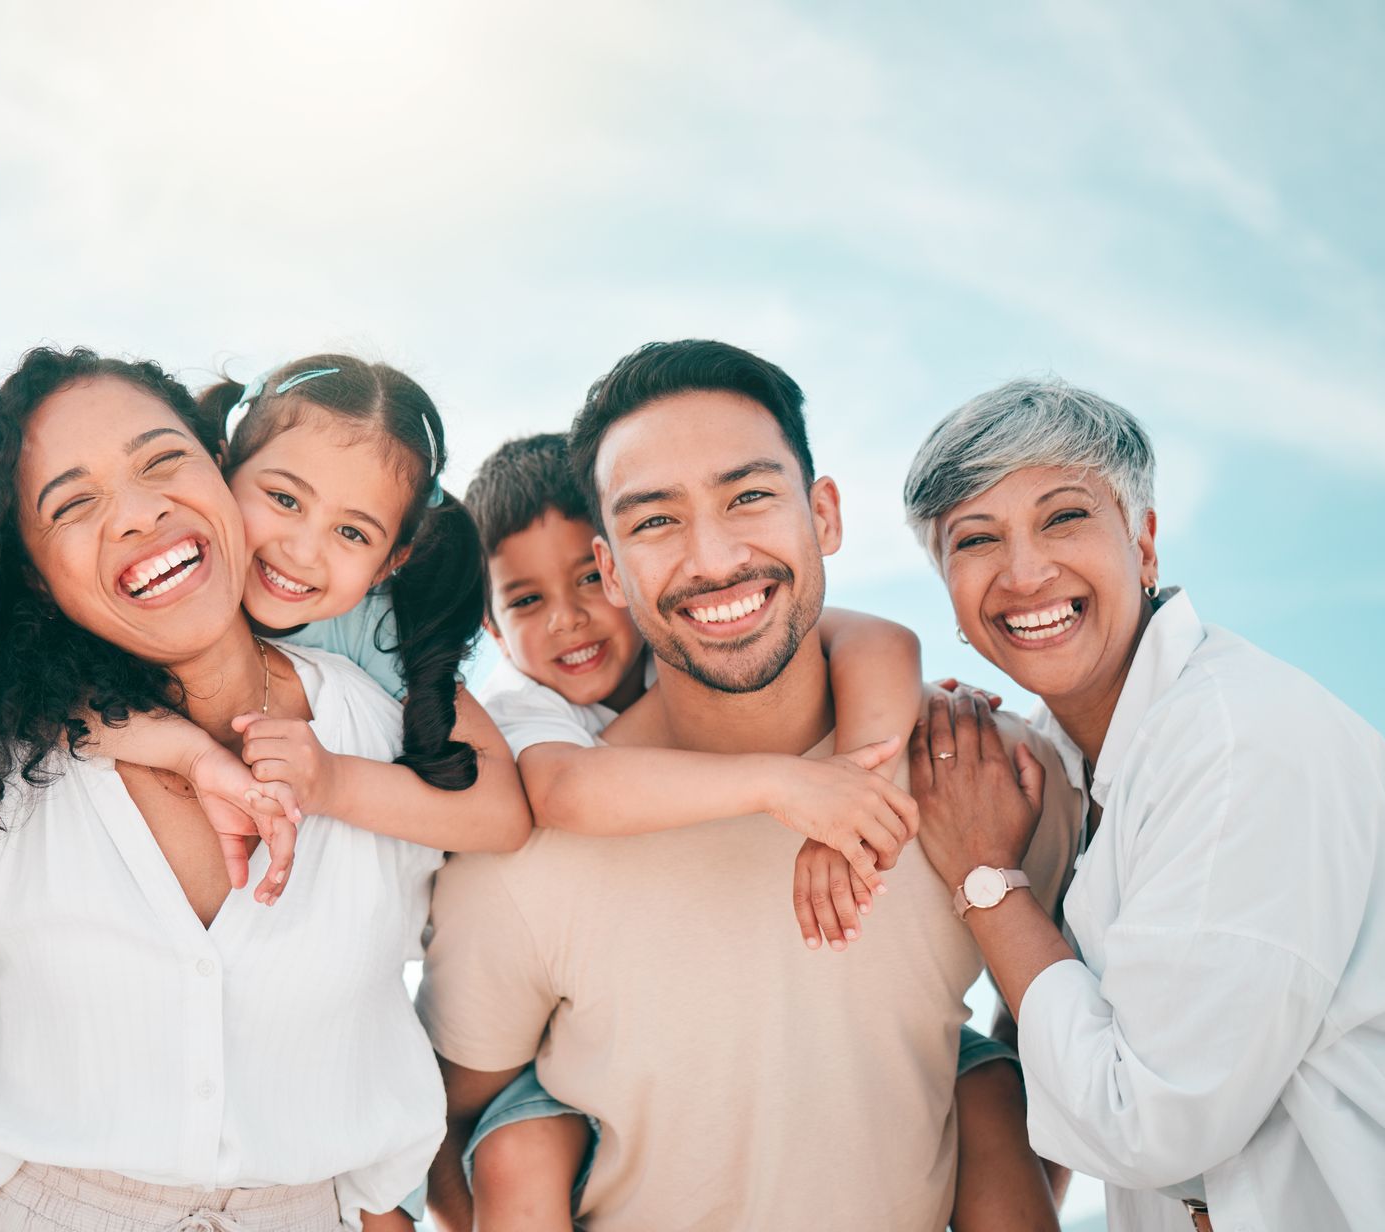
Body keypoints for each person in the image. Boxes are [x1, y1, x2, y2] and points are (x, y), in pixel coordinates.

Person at [0, 354, 531, 1229]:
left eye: (161, 461)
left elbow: (374, 1075)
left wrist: (329, 780)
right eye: (72, 501)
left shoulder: (381, 710)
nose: (139, 512)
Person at [417, 340, 1084, 1230]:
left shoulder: (988, 777)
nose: (714, 555)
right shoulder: (526, 847)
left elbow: (1082, 1054)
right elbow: (449, 1127)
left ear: (825, 515)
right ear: (614, 570)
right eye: (655, 520)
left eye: (749, 496)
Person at [901, 379, 1385, 1232]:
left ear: (1143, 545)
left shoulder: (1240, 746)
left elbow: (1150, 1127)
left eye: (1064, 518)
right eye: (976, 539)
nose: (1025, 572)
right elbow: (1073, 1013)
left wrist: (986, 878)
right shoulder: (1055, 760)